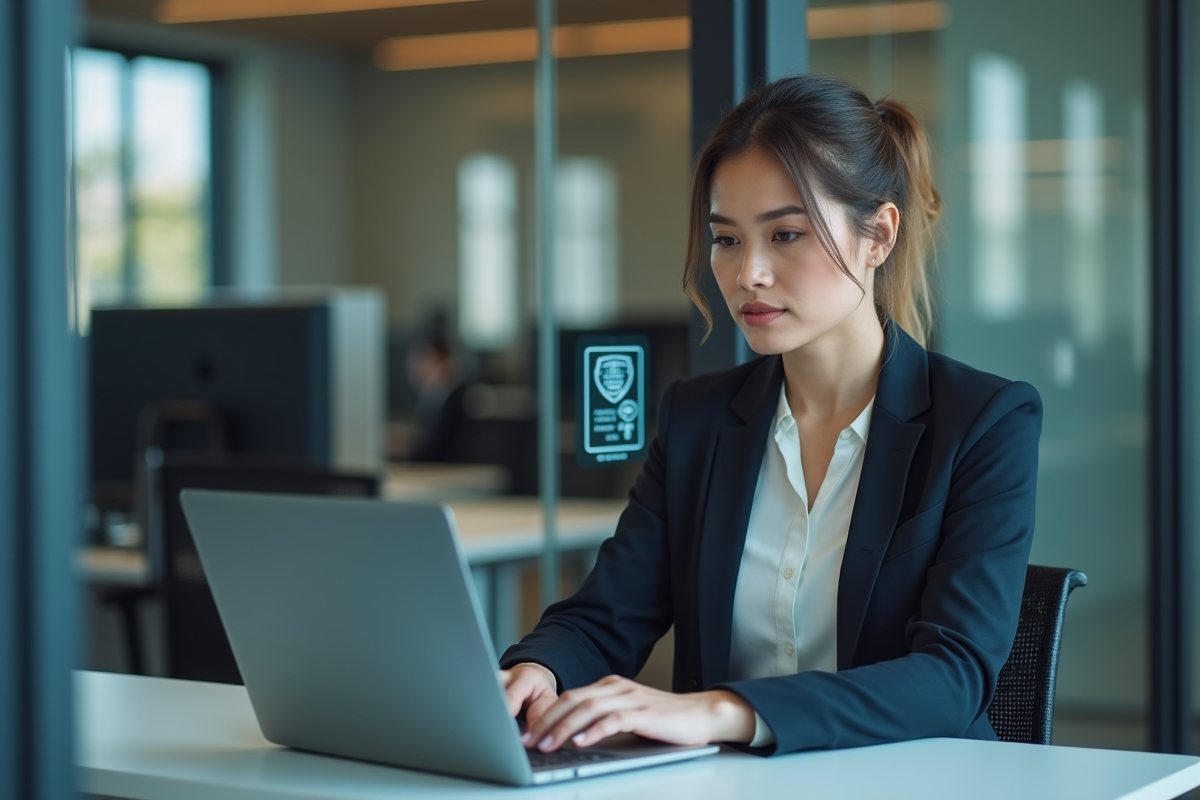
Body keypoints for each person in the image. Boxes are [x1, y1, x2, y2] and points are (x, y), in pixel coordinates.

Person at [499, 74, 1042, 756]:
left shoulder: (984, 420)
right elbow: (608, 614)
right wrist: (536, 670)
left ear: (878, 235)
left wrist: (723, 711)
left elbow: (952, 677)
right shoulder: (698, 418)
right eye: (726, 240)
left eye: (786, 234)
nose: (748, 272)